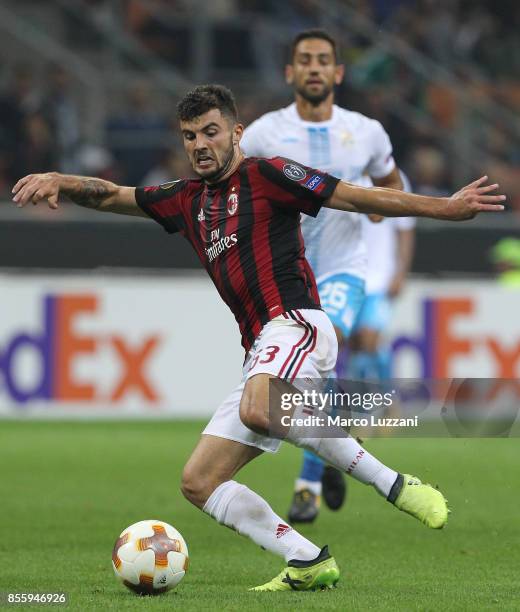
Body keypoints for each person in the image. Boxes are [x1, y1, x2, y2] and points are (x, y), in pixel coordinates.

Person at [12, 84, 504, 592]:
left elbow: (355, 196)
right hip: (261, 351)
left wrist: (445, 207)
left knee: (258, 404)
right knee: (199, 481)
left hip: (299, 324)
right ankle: (307, 559)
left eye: (210, 131)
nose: (200, 144)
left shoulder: (268, 175)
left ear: (236, 133)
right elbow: (113, 195)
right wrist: (60, 180)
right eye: (189, 136)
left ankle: (396, 484)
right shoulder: (186, 200)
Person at [241, 29, 404, 523]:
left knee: (327, 339)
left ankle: (308, 484)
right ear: (290, 72)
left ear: (338, 72)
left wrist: (381, 207)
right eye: (304, 60)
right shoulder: (262, 134)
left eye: (323, 60)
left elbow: (390, 182)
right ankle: (334, 447)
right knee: (308, 380)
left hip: (342, 268)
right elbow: (229, 182)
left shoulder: (367, 130)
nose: (314, 68)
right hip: (285, 276)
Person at [349, 171, 415, 381]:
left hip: (381, 276)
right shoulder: (344, 171)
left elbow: (405, 229)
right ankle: (360, 403)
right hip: (350, 275)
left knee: (370, 338)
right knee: (355, 344)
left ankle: (388, 400)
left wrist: (400, 272)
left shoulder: (395, 178)